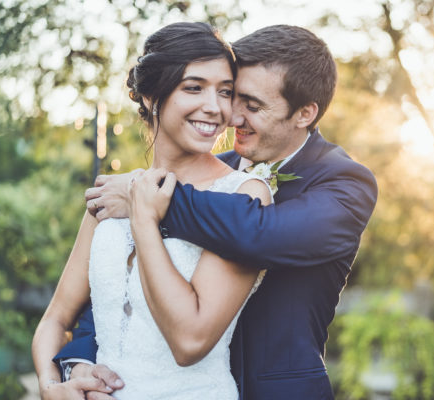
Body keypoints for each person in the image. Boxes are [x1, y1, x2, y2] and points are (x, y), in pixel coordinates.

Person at [56, 25, 378, 400]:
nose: (231, 117)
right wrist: (80, 359)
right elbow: (127, 285)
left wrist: (146, 200)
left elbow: (259, 232)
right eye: (233, 96)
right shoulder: (202, 168)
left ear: (305, 113)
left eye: (253, 106)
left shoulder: (345, 184)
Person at [31, 22, 273, 399]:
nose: (215, 108)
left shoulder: (242, 195)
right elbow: (56, 319)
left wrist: (143, 218)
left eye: (225, 92)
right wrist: (52, 387)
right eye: (194, 87)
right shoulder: (114, 193)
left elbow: (190, 342)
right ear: (149, 96)